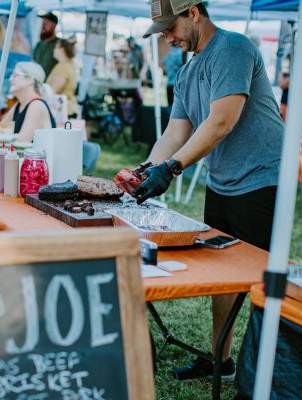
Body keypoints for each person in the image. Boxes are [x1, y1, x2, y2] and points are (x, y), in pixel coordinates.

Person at [132, 0, 284, 381]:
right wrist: (147, 169)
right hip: (222, 182)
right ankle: (222, 360)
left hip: (262, 179)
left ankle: (267, 371)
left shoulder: (233, 48)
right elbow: (174, 133)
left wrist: (173, 167)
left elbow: (221, 121)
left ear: (194, 13)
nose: (168, 37)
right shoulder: (187, 72)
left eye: (171, 27)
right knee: (223, 274)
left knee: (262, 279)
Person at [1, 61, 55, 142]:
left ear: (29, 80)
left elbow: (22, 142)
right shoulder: (20, 104)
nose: (10, 79)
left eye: (15, 75)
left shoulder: (37, 105)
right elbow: (0, 128)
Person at [47, 37, 79, 118]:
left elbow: (52, 91)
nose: (53, 50)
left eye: (55, 47)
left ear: (62, 50)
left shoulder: (62, 67)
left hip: (62, 112)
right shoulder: (69, 64)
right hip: (67, 109)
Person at [33, 12, 58, 79]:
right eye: (43, 23)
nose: (43, 25)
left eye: (46, 23)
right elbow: (33, 63)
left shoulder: (59, 45)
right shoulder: (39, 44)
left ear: (54, 25)